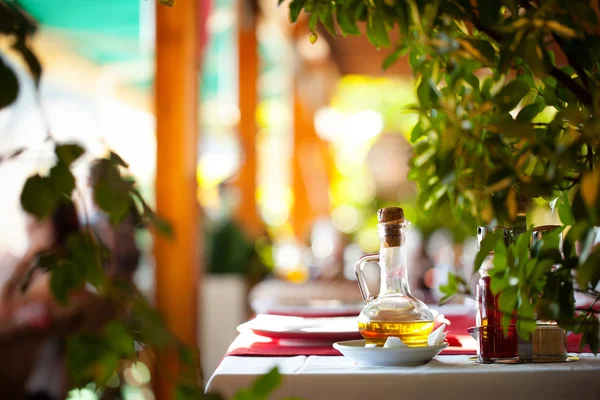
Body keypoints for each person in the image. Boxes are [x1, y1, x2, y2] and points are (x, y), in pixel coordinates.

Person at [1, 200, 84, 400]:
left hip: (37, 387)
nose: (28, 226)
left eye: (37, 221)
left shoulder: (58, 275)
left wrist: (28, 255)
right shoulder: (42, 272)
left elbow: (3, 309)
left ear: (55, 228)